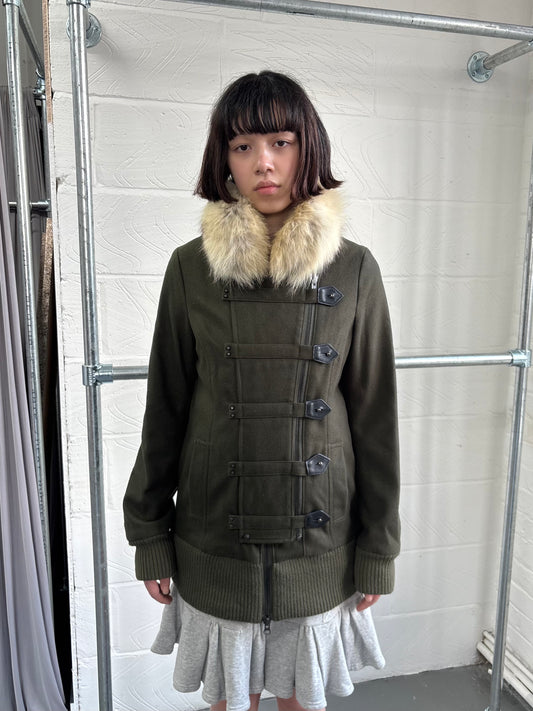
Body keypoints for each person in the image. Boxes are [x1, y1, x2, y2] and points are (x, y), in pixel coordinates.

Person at [123, 70, 400, 711]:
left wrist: (378, 546)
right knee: (230, 698)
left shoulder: (355, 268)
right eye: (243, 146)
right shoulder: (190, 267)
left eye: (280, 142)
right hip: (214, 535)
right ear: (223, 158)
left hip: (321, 539)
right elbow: (165, 408)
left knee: (300, 698)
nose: (263, 163)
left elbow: (375, 418)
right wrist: (150, 533)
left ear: (308, 149)